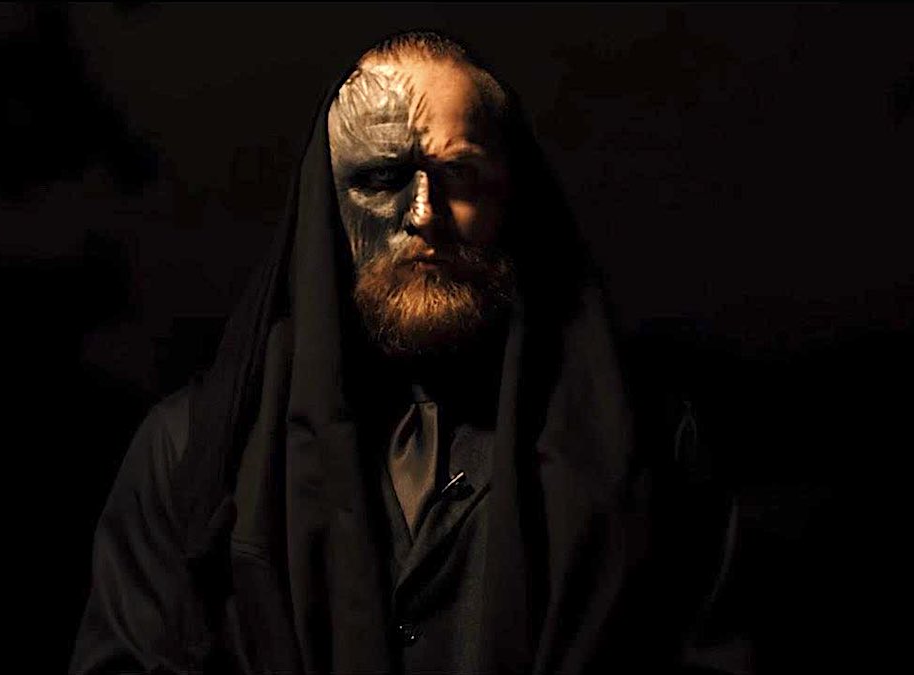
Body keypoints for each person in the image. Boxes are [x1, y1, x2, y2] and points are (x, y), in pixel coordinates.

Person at [70, 29, 740, 675]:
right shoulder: (192, 449)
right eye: (381, 178)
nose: (423, 213)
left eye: (461, 174)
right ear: (327, 204)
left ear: (512, 193)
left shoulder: (650, 446)